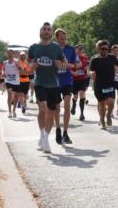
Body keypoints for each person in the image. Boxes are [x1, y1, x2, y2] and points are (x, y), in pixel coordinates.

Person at [29, 22, 67, 153]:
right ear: (40, 32)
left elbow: (65, 64)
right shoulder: (34, 47)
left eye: (49, 29)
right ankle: (42, 135)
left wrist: (59, 64)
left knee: (51, 112)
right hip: (40, 83)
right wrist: (33, 67)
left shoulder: (56, 48)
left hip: (54, 84)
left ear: (51, 33)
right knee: (43, 108)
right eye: (44, 29)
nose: (46, 31)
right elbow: (30, 66)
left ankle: (44, 137)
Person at [52, 29, 78, 145]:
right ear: (56, 38)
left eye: (65, 38)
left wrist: (69, 65)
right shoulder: (52, 49)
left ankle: (66, 133)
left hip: (67, 80)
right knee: (57, 108)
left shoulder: (70, 49)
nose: (64, 40)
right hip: (55, 81)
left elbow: (77, 64)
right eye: (61, 38)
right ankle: (58, 129)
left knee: (67, 104)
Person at [89, 40, 118, 130]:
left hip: (110, 83)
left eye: (106, 49)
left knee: (111, 103)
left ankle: (108, 115)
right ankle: (102, 121)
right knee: (101, 104)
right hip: (99, 84)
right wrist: (91, 73)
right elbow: (89, 70)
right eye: (102, 49)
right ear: (98, 49)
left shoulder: (112, 57)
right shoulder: (94, 59)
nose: (105, 50)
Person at [70, 44, 90, 122]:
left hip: (83, 78)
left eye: (81, 49)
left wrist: (87, 70)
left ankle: (82, 114)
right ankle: (74, 105)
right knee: (75, 96)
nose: (80, 50)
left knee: (82, 95)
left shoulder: (85, 58)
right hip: (75, 79)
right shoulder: (72, 58)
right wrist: (74, 71)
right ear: (76, 50)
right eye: (79, 49)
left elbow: (87, 67)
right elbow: (69, 67)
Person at [2, 49, 21, 118]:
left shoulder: (17, 61)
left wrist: (17, 66)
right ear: (7, 54)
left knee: (16, 97)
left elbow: (20, 70)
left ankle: (14, 110)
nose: (9, 55)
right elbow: (3, 70)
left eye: (11, 53)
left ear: (13, 54)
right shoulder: (5, 62)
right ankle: (9, 112)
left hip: (16, 81)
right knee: (9, 94)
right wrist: (3, 73)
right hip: (8, 80)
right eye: (8, 53)